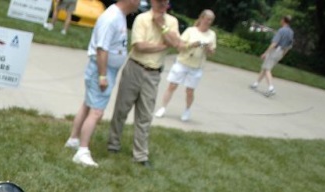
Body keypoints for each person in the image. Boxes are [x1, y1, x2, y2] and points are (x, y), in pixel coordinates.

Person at [65, 0, 140, 168]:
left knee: (87, 105)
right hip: (101, 70)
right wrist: (102, 75)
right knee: (96, 111)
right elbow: (102, 49)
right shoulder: (111, 18)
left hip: (104, 70)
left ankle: (73, 139)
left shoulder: (119, 16)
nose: (140, 3)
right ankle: (82, 151)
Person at [107, 0, 182, 167]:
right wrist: (163, 45)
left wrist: (162, 25)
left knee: (145, 116)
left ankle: (140, 155)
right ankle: (113, 144)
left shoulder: (171, 22)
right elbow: (139, 46)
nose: (164, 6)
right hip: (135, 67)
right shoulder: (141, 18)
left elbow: (176, 44)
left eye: (166, 3)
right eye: (160, 2)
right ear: (153, 2)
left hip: (153, 73)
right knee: (122, 109)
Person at [154, 9, 216, 122]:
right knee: (172, 85)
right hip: (183, 62)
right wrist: (192, 45)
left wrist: (209, 48)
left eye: (211, 20)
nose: (208, 22)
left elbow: (212, 52)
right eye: (207, 19)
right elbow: (180, 46)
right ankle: (163, 108)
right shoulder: (190, 31)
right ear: (202, 18)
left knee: (190, 91)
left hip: (197, 67)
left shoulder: (212, 34)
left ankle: (187, 110)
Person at [250, 15, 294, 97]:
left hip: (275, 51)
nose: (280, 20)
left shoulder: (281, 30)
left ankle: (271, 88)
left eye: (281, 19)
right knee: (265, 67)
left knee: (267, 69)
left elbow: (274, 43)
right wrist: (283, 55)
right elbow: (289, 46)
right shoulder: (291, 32)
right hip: (281, 52)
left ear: (284, 20)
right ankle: (255, 84)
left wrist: (265, 53)